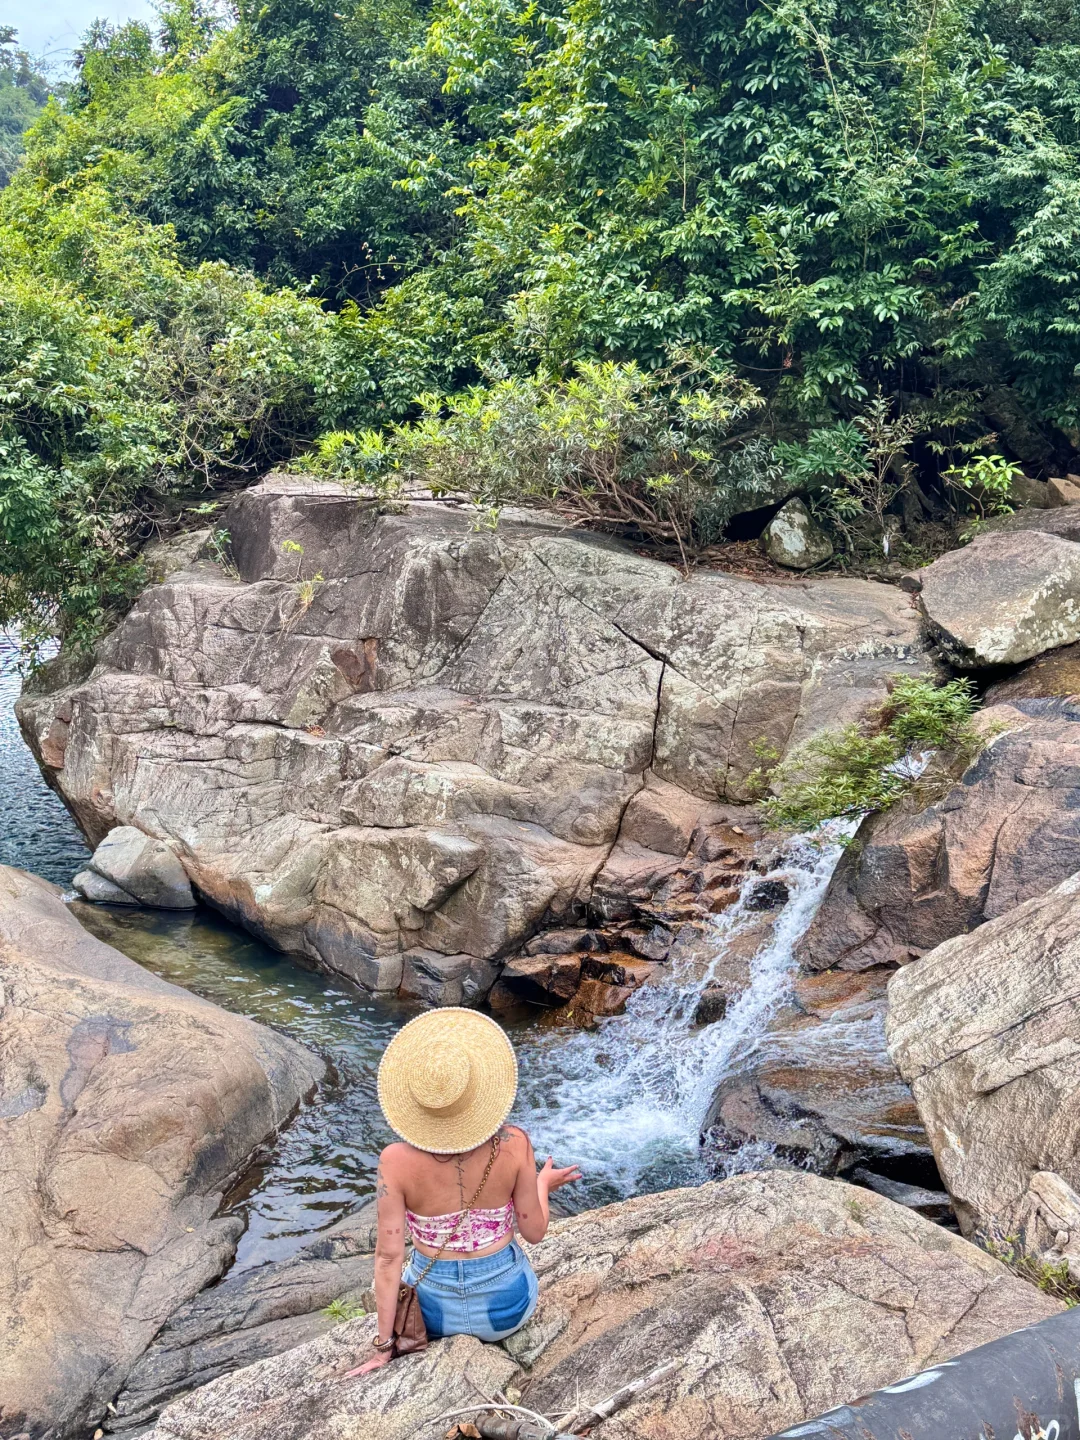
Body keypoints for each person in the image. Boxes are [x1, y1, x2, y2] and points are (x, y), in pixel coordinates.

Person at [345, 1008, 581, 1376]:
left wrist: (383, 1346)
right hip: (507, 1311)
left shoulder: (394, 1161)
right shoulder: (514, 1143)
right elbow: (534, 1232)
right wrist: (542, 1185)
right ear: (482, 1089)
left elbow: (388, 1259)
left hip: (435, 1315)